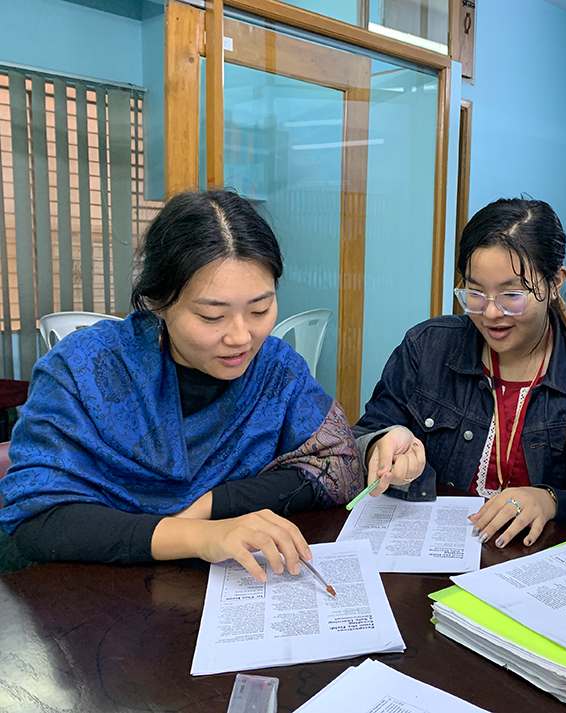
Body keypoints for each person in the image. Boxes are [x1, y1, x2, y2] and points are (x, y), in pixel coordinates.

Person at [0, 190, 364, 581]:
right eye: (212, 316)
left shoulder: (275, 370)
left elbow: (338, 465)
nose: (241, 337)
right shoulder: (84, 368)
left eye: (260, 309)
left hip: (210, 593)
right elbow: (37, 521)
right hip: (85, 595)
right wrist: (195, 534)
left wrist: (213, 503)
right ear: (158, 302)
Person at [354, 198, 566, 548]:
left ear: (555, 282)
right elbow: (369, 430)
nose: (491, 313)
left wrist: (551, 500)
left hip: (527, 565)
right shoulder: (428, 347)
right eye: (475, 294)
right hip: (433, 555)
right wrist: (380, 444)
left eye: (512, 294)